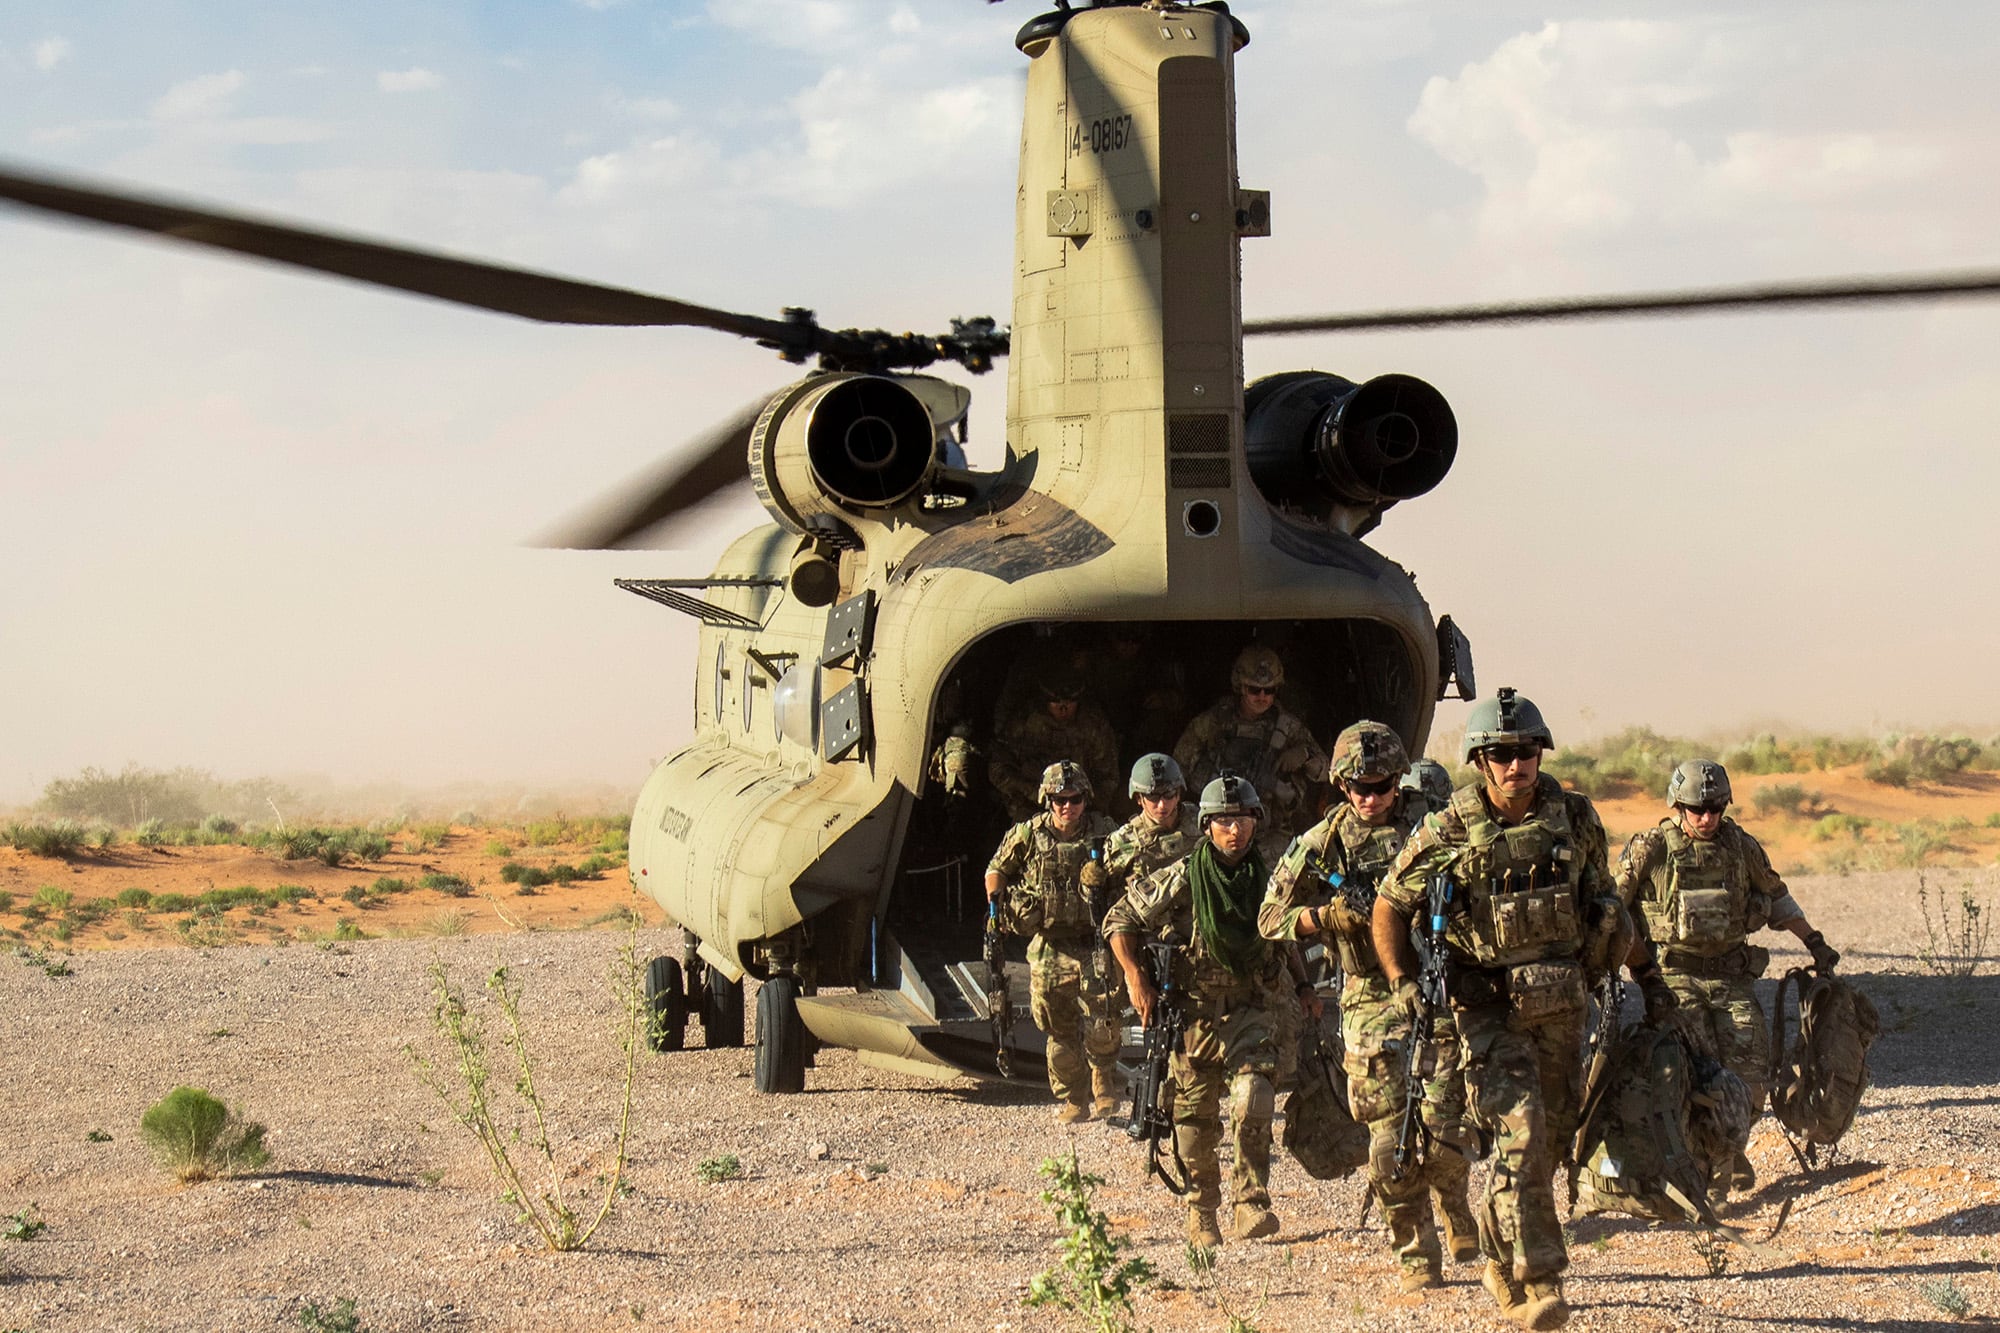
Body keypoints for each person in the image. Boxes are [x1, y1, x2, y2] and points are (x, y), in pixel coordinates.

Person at [1374, 688, 1619, 1331]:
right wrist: (1403, 981)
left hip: (1562, 1006)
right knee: (1524, 1130)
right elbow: (1389, 905)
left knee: (1549, 1143)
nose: (1518, 765)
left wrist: (1635, 970)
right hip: (1485, 1008)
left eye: (1528, 751)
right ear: (1481, 762)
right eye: (1503, 754)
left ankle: (1494, 1250)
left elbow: (1606, 901)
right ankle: (1542, 1278)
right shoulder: (1449, 826)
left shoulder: (1575, 817)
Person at [1260, 721, 1479, 1293]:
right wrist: (1326, 918)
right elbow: (1270, 918)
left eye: (1381, 786)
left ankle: (1455, 1206)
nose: (1369, 798)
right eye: (1357, 786)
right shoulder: (1321, 844)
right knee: (1388, 1137)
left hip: (1436, 987)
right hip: (1368, 1000)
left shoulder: (1433, 821)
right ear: (1339, 783)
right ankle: (1415, 1252)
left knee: (1446, 1124)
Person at [1614, 758, 1842, 1201]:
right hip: (1674, 980)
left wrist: (1814, 942)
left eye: (1716, 807)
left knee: (1751, 1082)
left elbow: (1778, 899)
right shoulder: (1651, 848)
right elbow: (1612, 909)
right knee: (1691, 1082)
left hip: (1733, 982)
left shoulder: (1740, 846)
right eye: (1698, 808)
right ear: (1677, 805)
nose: (1707, 817)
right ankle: (1707, 1171)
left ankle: (1728, 1148)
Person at [1105, 776, 1303, 1248]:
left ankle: (1251, 1201)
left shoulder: (1271, 877)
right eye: (1223, 822)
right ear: (1207, 826)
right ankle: (1202, 1211)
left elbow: (1287, 931)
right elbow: (1120, 920)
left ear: (1256, 822)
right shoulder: (1182, 876)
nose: (1234, 831)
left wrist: (1308, 986)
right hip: (1193, 1017)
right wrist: (1136, 976)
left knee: (1254, 1096)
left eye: (1242, 820)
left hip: (1252, 1009)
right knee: (1193, 1124)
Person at [985, 761, 1120, 1122]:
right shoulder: (1028, 834)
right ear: (1048, 799)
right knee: (1057, 1030)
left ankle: (1103, 1082)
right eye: (1059, 799)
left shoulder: (1104, 831)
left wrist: (1105, 876)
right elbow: (996, 870)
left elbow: (1131, 866)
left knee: (1103, 1018)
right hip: (1049, 944)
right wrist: (998, 911)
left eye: (1074, 799)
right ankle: (1074, 1097)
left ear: (1085, 799)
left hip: (1094, 941)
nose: (1067, 807)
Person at [1172, 644, 1327, 845]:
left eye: (1269, 690)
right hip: (1217, 827)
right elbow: (1179, 768)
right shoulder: (1214, 722)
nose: (1262, 696)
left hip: (1271, 832)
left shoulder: (1288, 727)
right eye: (1254, 690)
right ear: (1241, 687)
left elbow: (1328, 771)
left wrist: (1305, 755)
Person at [990, 667, 1121, 823]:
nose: (1063, 708)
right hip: (1031, 808)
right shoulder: (1023, 723)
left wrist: (1085, 802)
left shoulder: (1093, 725)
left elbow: (1108, 775)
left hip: (1081, 809)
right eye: (1056, 702)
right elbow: (998, 768)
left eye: (1070, 702)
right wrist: (1029, 792)